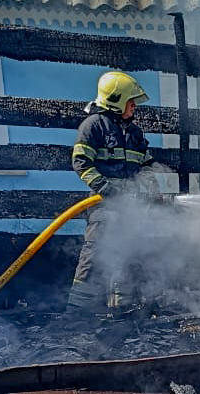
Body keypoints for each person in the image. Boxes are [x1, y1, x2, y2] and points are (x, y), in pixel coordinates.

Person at [66, 71, 165, 313]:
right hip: (104, 206)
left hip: (130, 209)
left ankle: (122, 311)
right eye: (131, 101)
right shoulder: (94, 126)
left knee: (127, 256)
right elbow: (81, 162)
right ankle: (76, 313)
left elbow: (146, 165)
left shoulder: (134, 133)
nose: (134, 106)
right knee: (94, 255)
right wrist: (106, 189)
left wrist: (152, 190)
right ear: (116, 100)